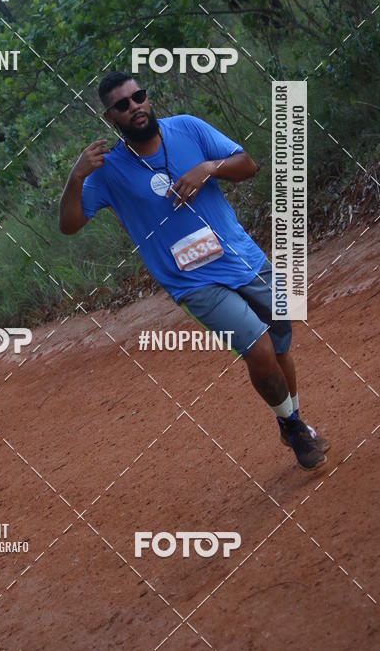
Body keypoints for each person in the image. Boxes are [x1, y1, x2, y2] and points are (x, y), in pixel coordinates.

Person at [59, 72, 328, 471]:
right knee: (259, 349)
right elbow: (70, 224)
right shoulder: (106, 170)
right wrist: (76, 176)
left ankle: (293, 422)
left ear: (148, 99)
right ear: (110, 116)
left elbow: (248, 165)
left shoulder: (187, 128)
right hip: (192, 281)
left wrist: (209, 168)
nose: (135, 107)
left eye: (139, 97)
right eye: (123, 104)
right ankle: (293, 423)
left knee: (281, 347)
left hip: (242, 258)